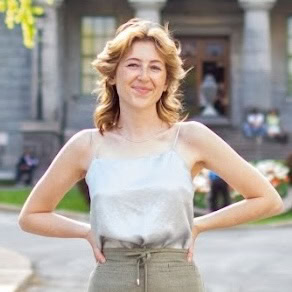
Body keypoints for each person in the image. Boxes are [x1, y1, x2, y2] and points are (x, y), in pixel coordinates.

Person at [18, 18, 284, 292]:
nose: (144, 76)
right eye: (133, 64)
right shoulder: (86, 145)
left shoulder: (191, 137)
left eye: (155, 67)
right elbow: (32, 215)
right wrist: (86, 231)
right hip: (112, 278)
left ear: (166, 81)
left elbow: (267, 200)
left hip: (177, 278)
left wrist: (198, 225)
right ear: (112, 74)